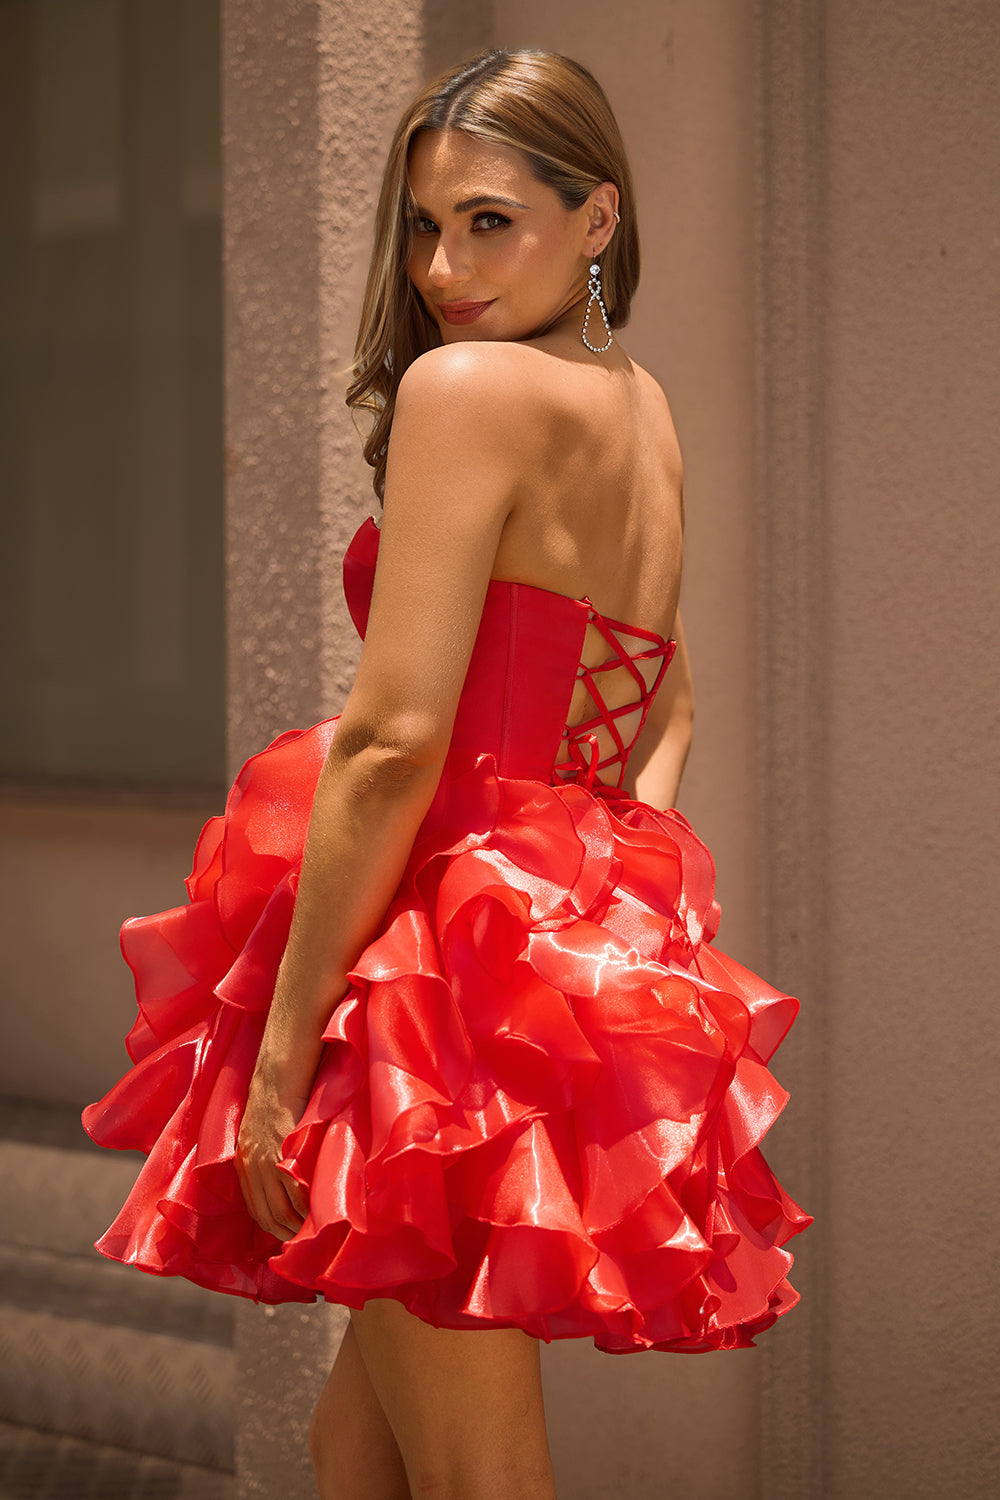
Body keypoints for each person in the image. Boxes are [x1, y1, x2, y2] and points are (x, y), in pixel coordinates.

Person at [84, 48, 810, 1499]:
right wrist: (598, 917)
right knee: (351, 1449)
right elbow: (666, 701)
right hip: (536, 956)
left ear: (597, 221)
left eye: (490, 221)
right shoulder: (641, 409)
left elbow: (395, 738)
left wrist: (286, 1053)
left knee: (480, 1474)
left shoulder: (468, 390)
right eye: (423, 226)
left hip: (425, 970)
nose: (440, 266)